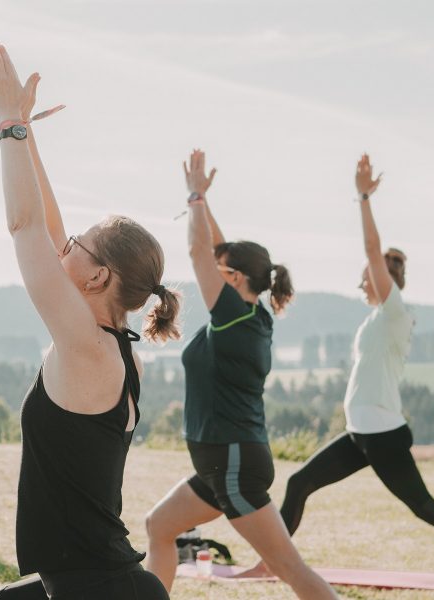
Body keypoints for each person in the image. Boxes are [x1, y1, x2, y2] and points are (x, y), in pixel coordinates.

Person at [240, 154, 434, 593]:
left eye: (366, 278)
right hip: (360, 434)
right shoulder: (375, 319)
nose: (361, 284)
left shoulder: (394, 312)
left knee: (424, 506)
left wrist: (363, 196)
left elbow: (372, 251)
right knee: (301, 481)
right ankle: (270, 563)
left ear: (381, 279)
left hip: (383, 435)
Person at [0, 42, 176, 600]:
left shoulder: (85, 348)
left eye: (78, 247)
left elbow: (27, 229)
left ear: (98, 277)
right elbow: (50, 229)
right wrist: (29, 137)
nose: (66, 247)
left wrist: (8, 125)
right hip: (94, 583)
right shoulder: (115, 350)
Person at [141, 151, 337, 599]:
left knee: (288, 567)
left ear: (232, 279)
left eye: (221, 269)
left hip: (232, 465)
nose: (213, 269)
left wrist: (193, 197)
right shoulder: (251, 314)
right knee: (159, 527)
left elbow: (198, 252)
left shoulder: (235, 318)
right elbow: (215, 252)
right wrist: (204, 202)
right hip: (220, 465)